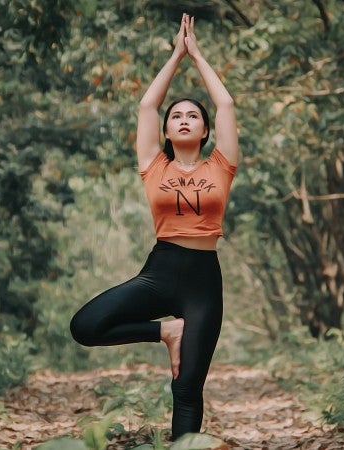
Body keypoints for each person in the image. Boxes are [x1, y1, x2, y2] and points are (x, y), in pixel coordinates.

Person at [70, 13, 239, 440]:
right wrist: (175, 55)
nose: (184, 118)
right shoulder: (153, 166)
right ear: (166, 130)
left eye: (192, 117)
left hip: (203, 280)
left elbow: (226, 105)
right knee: (85, 326)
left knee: (186, 388)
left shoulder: (221, 166)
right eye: (176, 115)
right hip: (160, 272)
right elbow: (146, 105)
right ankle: (167, 331)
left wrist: (198, 56)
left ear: (204, 132)